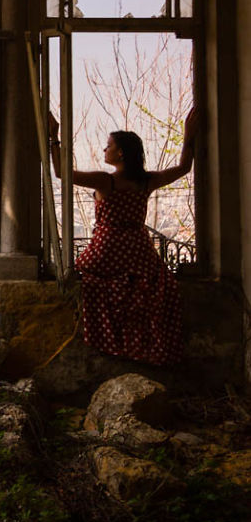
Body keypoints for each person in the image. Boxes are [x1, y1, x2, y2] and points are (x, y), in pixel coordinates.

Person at [47, 107, 198, 365]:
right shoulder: (146, 181)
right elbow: (184, 167)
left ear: (120, 153)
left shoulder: (106, 182)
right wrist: (189, 134)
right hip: (139, 252)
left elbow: (61, 173)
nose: (104, 150)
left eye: (108, 146)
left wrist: (54, 137)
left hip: (107, 250)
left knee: (84, 275)